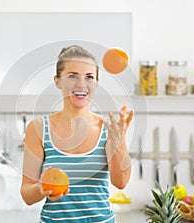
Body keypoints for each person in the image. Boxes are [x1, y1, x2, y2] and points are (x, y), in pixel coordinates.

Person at [20, 45, 134, 223]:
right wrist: (41, 188)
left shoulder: (109, 129)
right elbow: (27, 195)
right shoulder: (38, 128)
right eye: (72, 76)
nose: (81, 84)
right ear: (58, 81)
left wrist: (118, 142)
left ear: (96, 82)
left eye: (89, 77)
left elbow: (121, 182)